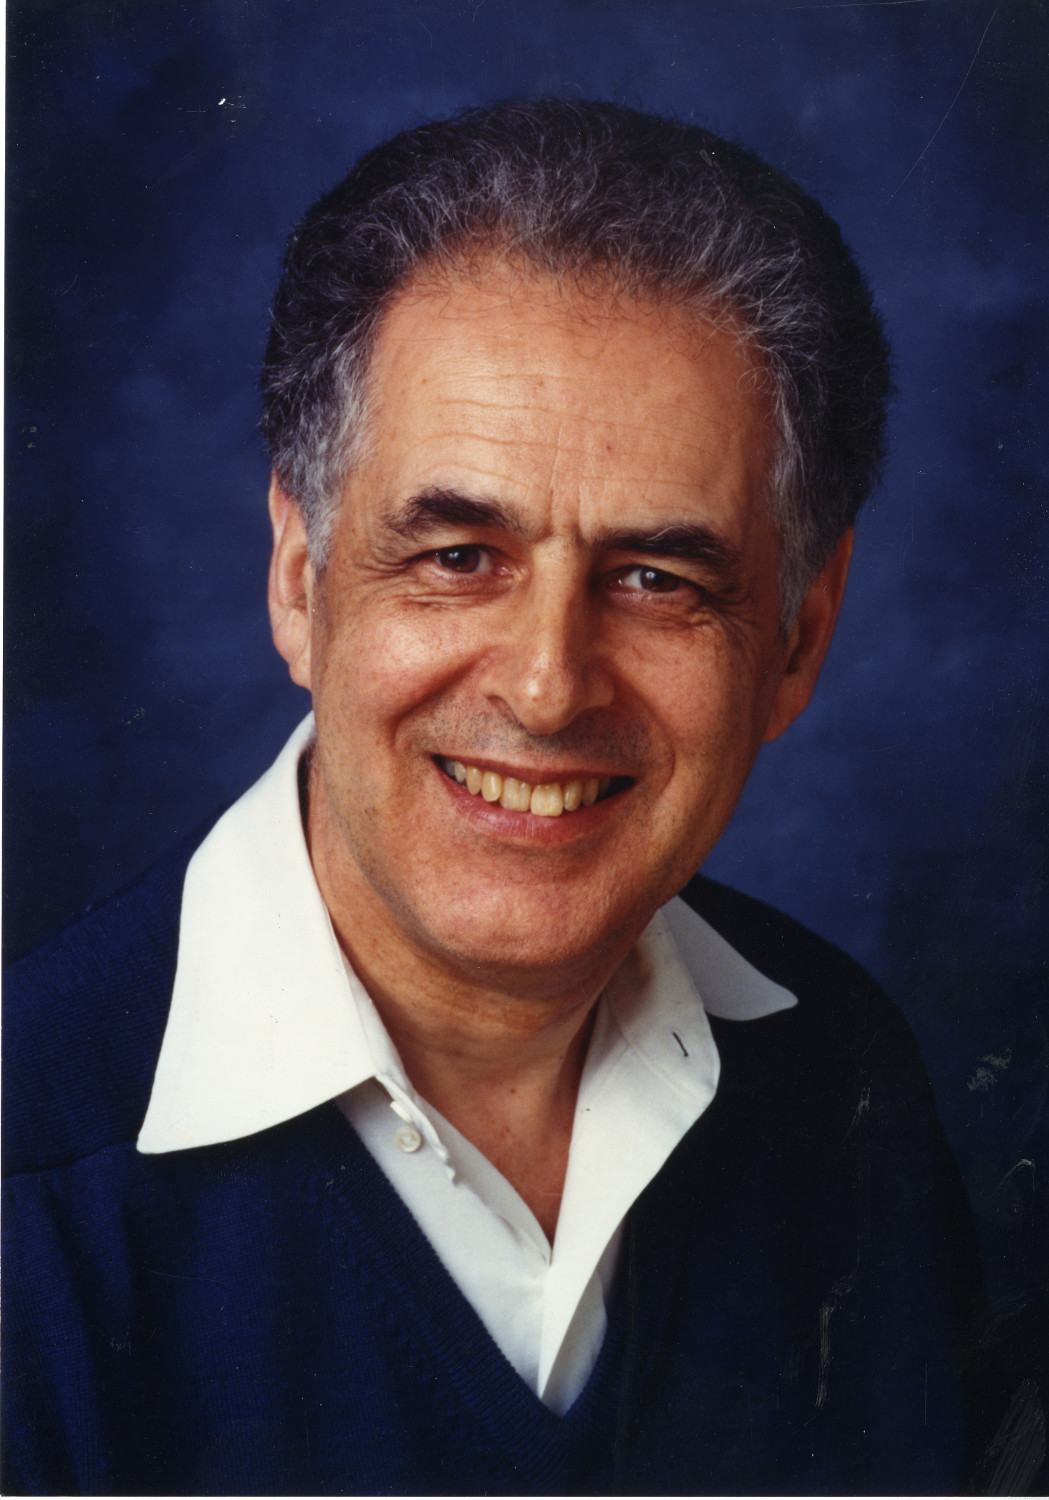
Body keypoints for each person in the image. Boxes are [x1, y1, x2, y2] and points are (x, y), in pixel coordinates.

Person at [3, 99, 999, 1494]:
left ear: (797, 641)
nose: (545, 688)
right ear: (298, 579)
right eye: (458, 556)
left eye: (656, 578)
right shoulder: (31, 1188)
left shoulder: (842, 1076)